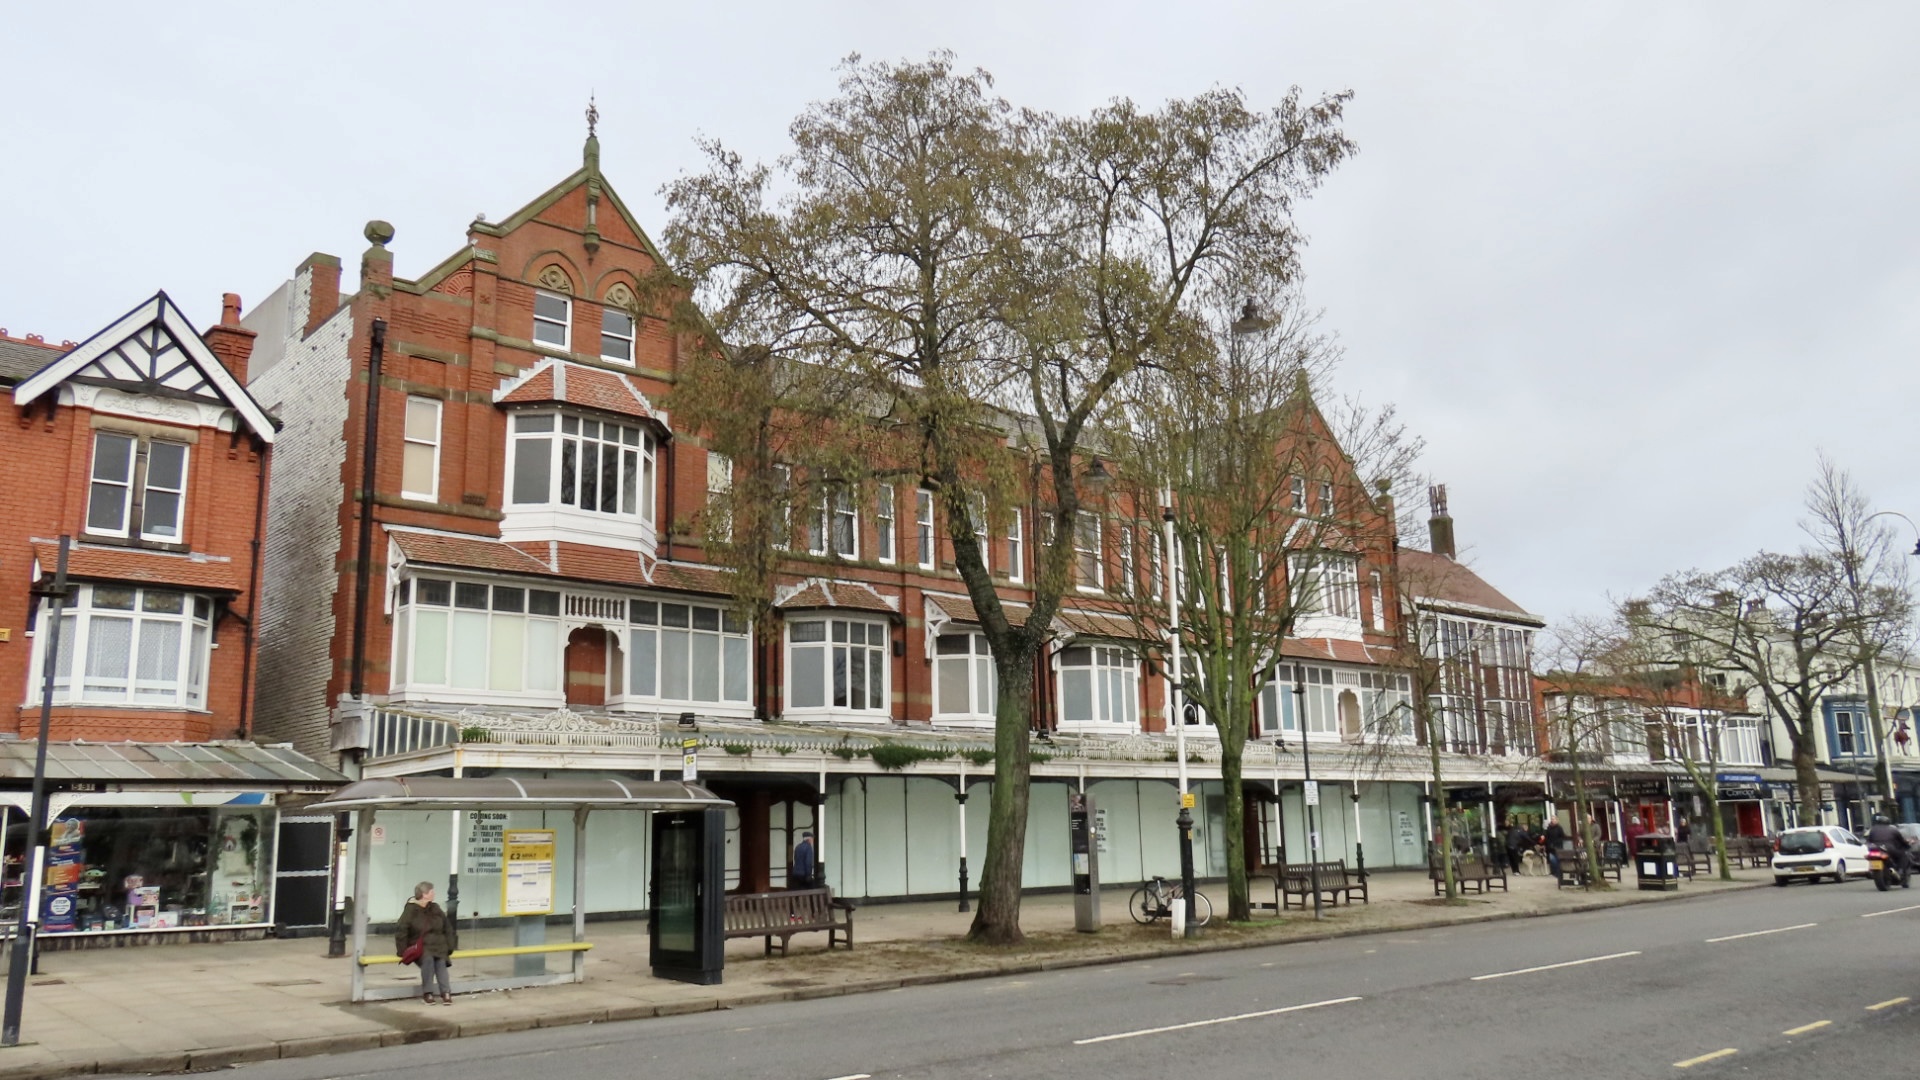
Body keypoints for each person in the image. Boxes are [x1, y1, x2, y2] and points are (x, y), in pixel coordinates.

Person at [396, 881, 454, 1005]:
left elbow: (447, 927)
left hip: (439, 945)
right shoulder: (411, 910)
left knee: (441, 961)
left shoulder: (435, 908)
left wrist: (450, 946)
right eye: (432, 891)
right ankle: (428, 993)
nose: (434, 894)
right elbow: (402, 930)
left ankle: (446, 992)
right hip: (421, 946)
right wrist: (402, 950)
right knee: (428, 959)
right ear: (424, 894)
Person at [1865, 815, 1913, 887]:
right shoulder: (1893, 830)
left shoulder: (1873, 829)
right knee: (1903, 855)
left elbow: (1868, 840)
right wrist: (1906, 844)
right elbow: (1901, 841)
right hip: (1889, 848)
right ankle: (1900, 871)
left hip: (1875, 849)